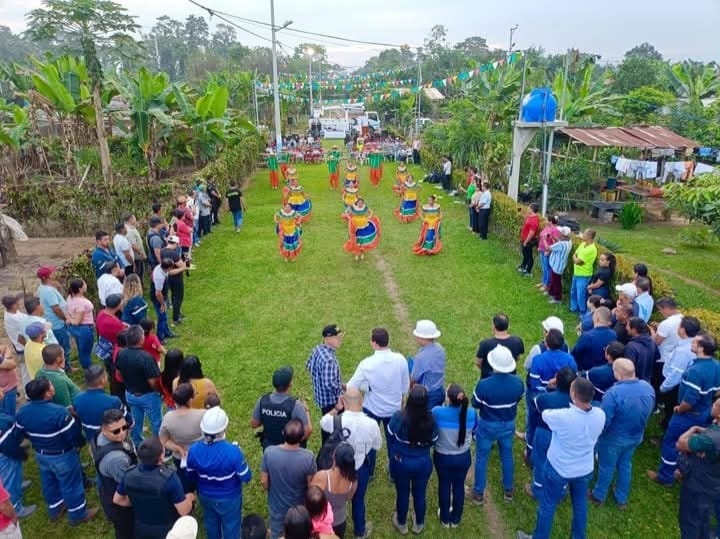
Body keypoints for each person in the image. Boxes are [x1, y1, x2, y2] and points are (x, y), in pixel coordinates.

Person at [516, 378, 605, 539]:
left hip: (560, 468)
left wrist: (550, 390)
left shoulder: (562, 416)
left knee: (548, 504)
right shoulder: (600, 415)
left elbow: (544, 414)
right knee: (580, 504)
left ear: (574, 394)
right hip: (584, 468)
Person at [15, 377, 98, 525]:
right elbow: (73, 434)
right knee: (71, 484)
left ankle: (56, 508)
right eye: (51, 386)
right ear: (47, 393)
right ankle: (78, 514)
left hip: (41, 453)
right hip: (63, 455)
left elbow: (21, 432)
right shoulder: (59, 412)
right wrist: (79, 444)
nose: (53, 387)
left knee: (49, 481)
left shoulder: (22, 412)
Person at [649, 332, 720, 486]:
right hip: (706, 411)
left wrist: (679, 409)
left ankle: (665, 477)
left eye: (694, 342)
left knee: (671, 442)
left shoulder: (695, 371)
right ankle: (682, 470)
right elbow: (717, 391)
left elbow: (690, 400)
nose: (691, 344)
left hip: (689, 414)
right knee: (691, 444)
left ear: (701, 348)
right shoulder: (716, 365)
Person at [590, 359, 655, 508]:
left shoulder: (614, 393)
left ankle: (598, 495)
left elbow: (605, 419)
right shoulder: (648, 388)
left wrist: (598, 434)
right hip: (636, 435)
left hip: (614, 437)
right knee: (625, 464)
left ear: (618, 374)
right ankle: (621, 498)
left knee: (607, 466)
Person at [319, 389, 381, 539]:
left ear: (343, 402)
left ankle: (330, 528)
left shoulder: (336, 421)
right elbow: (377, 445)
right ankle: (359, 531)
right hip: (360, 467)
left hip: (338, 468)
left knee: (334, 500)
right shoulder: (372, 424)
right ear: (362, 402)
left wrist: (336, 408)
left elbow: (323, 422)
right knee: (358, 500)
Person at [347, 328, 409, 475]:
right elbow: (405, 387)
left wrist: (366, 387)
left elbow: (351, 386)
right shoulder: (400, 360)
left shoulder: (366, 364)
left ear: (374, 343)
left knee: (369, 442)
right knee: (393, 442)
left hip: (372, 409)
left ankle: (369, 472)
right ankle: (394, 472)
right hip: (393, 409)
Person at [469, 345, 524, 505]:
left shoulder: (484, 384)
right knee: (507, 455)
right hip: (508, 424)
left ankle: (478, 493)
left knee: (482, 457)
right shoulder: (518, 383)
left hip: (488, 425)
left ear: (492, 363)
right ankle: (508, 491)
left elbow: (475, 403)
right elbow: (519, 398)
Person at [187, 407, 252, 539]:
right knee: (232, 526)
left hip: (205, 495)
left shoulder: (193, 450)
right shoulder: (233, 452)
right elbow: (246, 476)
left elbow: (191, 476)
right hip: (230, 498)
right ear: (224, 429)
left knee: (211, 524)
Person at [113, 436, 195, 538]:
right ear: (161, 456)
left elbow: (117, 500)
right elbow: (184, 511)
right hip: (168, 530)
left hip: (141, 528)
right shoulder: (170, 479)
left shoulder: (129, 475)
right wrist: (190, 497)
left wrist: (140, 501)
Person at [387, 385, 438, 535]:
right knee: (420, 493)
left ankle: (401, 523)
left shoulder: (399, 417)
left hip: (401, 462)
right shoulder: (431, 420)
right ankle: (419, 523)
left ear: (409, 399)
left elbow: (390, 435)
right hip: (422, 462)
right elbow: (434, 440)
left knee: (402, 493)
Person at [261, 419, 317, 539]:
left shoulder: (269, 452)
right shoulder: (308, 457)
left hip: (277, 508)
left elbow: (264, 483)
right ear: (301, 437)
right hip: (299, 511)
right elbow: (311, 487)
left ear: (283, 432)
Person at [526, 366, 576, 500]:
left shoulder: (545, 398)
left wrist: (548, 387)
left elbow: (535, 405)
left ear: (556, 381)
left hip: (545, 433)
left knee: (541, 460)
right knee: (563, 462)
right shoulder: (578, 401)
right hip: (567, 435)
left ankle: (538, 488)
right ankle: (561, 490)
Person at [432, 384, 477, 528]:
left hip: (443, 458)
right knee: (459, 486)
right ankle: (456, 519)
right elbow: (475, 432)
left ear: (449, 399)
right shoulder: (472, 413)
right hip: (463, 457)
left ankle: (445, 519)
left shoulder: (437, 412)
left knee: (444, 485)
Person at [675, 397, 720, 539]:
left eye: (716, 404)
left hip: (698, 486)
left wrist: (693, 429)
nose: (713, 405)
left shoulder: (709, 439)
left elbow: (681, 444)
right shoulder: (714, 431)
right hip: (713, 484)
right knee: (703, 519)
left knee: (690, 522)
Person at [115, 325, 163, 447]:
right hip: (148, 396)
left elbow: (118, 374)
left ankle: (137, 444)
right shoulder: (146, 358)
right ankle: (160, 446)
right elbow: (153, 382)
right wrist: (160, 392)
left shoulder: (121, 354)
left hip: (130, 394)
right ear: (141, 339)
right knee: (156, 422)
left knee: (136, 421)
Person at [92, 408, 136, 539]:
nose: (122, 433)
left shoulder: (98, 435)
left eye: (124, 427)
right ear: (104, 430)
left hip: (106, 485)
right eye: (116, 431)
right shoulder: (117, 459)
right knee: (127, 530)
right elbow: (127, 484)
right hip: (119, 502)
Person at [159, 383, 205, 492]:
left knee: (185, 485)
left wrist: (178, 448)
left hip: (180, 458)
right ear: (189, 400)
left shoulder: (168, 418)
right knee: (203, 482)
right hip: (201, 457)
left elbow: (163, 440)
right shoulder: (202, 415)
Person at [251, 367, 312, 449]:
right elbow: (308, 431)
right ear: (290, 384)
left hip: (270, 449)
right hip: (290, 450)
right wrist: (307, 410)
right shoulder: (296, 405)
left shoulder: (262, 401)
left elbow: (254, 424)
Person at [659, 316, 701, 431]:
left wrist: (664, 387)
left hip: (674, 387)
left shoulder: (683, 351)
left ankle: (667, 430)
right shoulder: (690, 344)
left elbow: (675, 375)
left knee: (671, 409)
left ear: (682, 330)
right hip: (678, 385)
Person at [0, 388, 36, 519]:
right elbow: (7, 445)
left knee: (12, 474)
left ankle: (18, 484)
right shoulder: (2, 422)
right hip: (6, 454)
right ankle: (16, 508)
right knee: (10, 477)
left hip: (6, 449)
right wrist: (20, 453)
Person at [73, 365, 129, 444]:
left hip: (91, 439)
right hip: (112, 440)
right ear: (103, 380)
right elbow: (128, 420)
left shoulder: (77, 399)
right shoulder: (113, 401)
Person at [310, 443, 357, 538]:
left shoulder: (322, 476)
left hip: (322, 522)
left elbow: (311, 498)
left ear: (334, 458)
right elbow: (349, 497)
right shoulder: (353, 480)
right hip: (340, 521)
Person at [306, 325, 344, 438]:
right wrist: (342, 390)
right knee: (333, 430)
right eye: (337, 337)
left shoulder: (317, 349)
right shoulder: (329, 360)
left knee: (326, 424)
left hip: (321, 398)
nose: (340, 339)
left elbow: (308, 365)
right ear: (328, 339)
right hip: (332, 402)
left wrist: (318, 379)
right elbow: (329, 384)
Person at [36, 266, 71, 370]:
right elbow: (56, 308)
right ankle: (66, 367)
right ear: (48, 276)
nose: (54, 274)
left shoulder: (41, 288)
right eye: (52, 273)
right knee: (63, 347)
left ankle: (63, 366)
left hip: (51, 321)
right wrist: (65, 319)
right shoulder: (49, 291)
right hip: (57, 323)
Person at [474, 313, 525, 380]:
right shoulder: (517, 341)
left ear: (493, 326)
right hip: (509, 379)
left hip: (488, 380)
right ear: (508, 326)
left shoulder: (485, 344)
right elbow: (517, 358)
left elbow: (478, 363)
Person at [409, 320, 446, 408]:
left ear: (421, 337)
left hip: (427, 394)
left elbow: (413, 379)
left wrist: (411, 389)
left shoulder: (421, 357)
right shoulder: (440, 348)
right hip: (440, 389)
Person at [96, 294, 127, 391]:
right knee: (115, 373)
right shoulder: (114, 323)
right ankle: (117, 390)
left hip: (104, 346)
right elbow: (123, 335)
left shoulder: (101, 313)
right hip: (113, 350)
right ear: (117, 305)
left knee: (110, 371)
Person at [571, 307, 618, 371]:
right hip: (607, 368)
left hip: (588, 370)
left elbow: (575, 352)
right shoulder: (614, 335)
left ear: (597, 319)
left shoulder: (587, 336)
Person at [65, 278, 94, 370]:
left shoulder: (70, 297)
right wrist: (70, 320)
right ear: (80, 289)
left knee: (82, 350)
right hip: (84, 329)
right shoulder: (81, 302)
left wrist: (69, 319)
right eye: (84, 284)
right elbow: (77, 321)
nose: (86, 285)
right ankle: (90, 371)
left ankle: (86, 367)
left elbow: (67, 311)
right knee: (86, 352)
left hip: (78, 329)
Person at [2, 295, 28, 391]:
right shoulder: (11, 319)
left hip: (23, 346)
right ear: (12, 306)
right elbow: (19, 338)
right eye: (17, 303)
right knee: (26, 371)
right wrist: (29, 345)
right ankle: (27, 393)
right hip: (22, 348)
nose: (19, 304)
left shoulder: (13, 312)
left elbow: (23, 316)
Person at [569, 229, 598, 314]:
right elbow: (575, 254)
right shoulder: (582, 244)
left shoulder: (591, 249)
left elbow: (578, 261)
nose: (582, 235)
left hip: (584, 275)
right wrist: (575, 257)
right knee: (573, 292)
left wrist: (575, 258)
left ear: (589, 236)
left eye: (584, 234)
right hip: (576, 273)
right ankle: (574, 308)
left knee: (580, 295)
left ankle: (582, 311)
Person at [150, 258, 179, 342]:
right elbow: (158, 293)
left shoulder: (161, 267)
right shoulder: (159, 277)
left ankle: (167, 332)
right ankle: (160, 338)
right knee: (162, 317)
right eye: (172, 267)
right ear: (168, 268)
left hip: (163, 294)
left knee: (164, 316)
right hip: (158, 298)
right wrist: (162, 304)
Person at [161, 236, 187, 327]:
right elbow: (182, 266)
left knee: (173, 295)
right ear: (176, 244)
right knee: (178, 297)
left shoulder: (162, 251)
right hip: (176, 278)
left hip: (167, 278)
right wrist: (184, 266)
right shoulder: (173, 253)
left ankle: (177, 312)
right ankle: (176, 318)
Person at [624, 317, 659, 382]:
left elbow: (628, 369)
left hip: (635, 382)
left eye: (627, 326)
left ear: (634, 330)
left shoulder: (631, 347)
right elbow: (657, 356)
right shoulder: (652, 342)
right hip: (647, 381)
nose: (626, 328)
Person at [547, 226, 573, 304]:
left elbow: (548, 248)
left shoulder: (561, 244)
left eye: (560, 233)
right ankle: (552, 294)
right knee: (554, 280)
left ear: (563, 235)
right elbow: (559, 245)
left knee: (556, 282)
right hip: (560, 265)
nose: (558, 234)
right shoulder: (569, 242)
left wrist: (544, 239)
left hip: (556, 265)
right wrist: (555, 239)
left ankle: (558, 298)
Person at [537, 216, 560, 292]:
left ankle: (547, 285)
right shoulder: (547, 227)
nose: (545, 221)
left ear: (550, 221)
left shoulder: (555, 230)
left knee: (548, 269)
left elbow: (556, 243)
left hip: (547, 251)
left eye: (546, 220)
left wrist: (549, 251)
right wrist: (539, 247)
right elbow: (542, 237)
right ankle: (543, 282)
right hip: (542, 249)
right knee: (544, 267)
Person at [518, 203, 540, 276]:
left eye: (529, 207)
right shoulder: (530, 216)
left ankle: (528, 271)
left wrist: (526, 241)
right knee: (525, 254)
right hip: (524, 239)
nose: (527, 208)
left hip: (528, 241)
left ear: (532, 209)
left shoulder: (534, 220)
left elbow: (531, 233)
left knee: (529, 256)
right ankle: (523, 266)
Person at [123, 214, 147, 279]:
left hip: (138, 256)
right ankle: (138, 284)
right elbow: (133, 245)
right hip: (136, 257)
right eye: (134, 218)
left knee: (140, 274)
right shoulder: (129, 231)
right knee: (138, 275)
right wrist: (142, 254)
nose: (135, 219)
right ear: (131, 219)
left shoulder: (131, 228)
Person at [0, 346, 18, 418]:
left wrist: (6, 358)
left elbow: (6, 348)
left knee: (10, 414)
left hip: (10, 388)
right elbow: (12, 364)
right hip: (4, 390)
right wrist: (6, 360)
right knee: (6, 416)